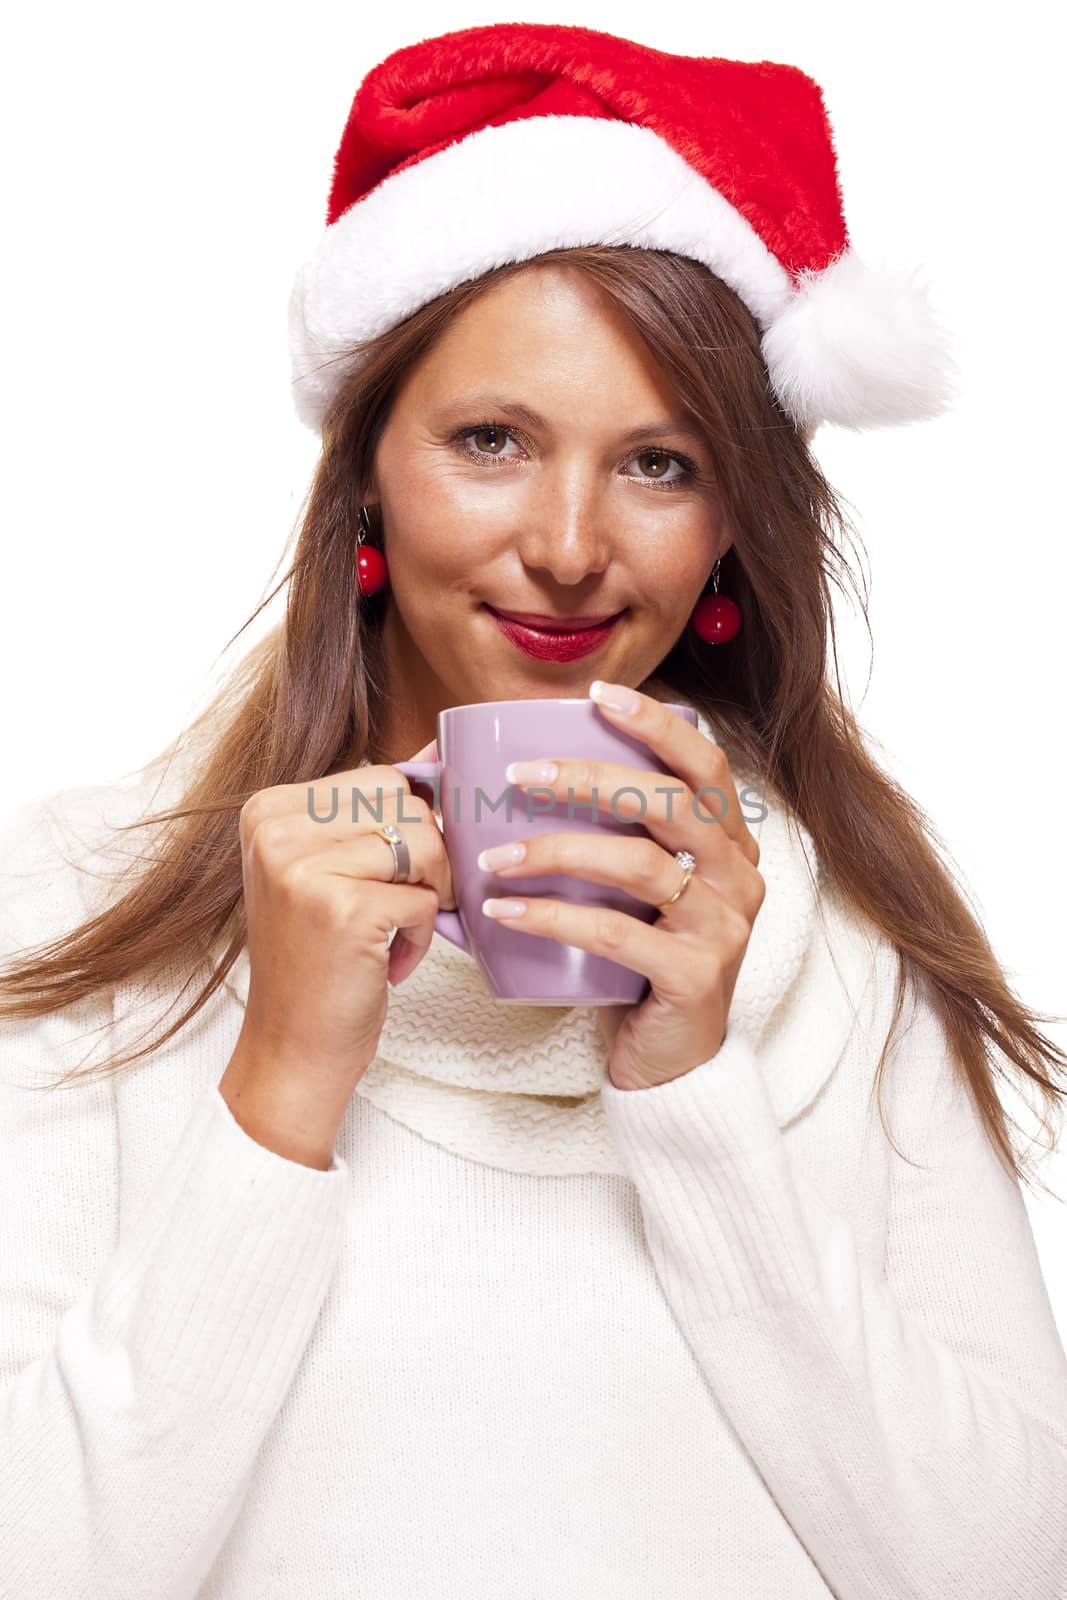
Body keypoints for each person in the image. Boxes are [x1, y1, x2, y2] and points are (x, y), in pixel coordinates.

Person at [1, 20, 1065, 1600]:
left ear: (736, 525)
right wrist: (281, 1085)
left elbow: (1004, 1568)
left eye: (658, 461)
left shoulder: (842, 934)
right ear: (365, 471)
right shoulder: (84, 895)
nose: (569, 546)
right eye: (490, 441)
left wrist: (695, 1089)